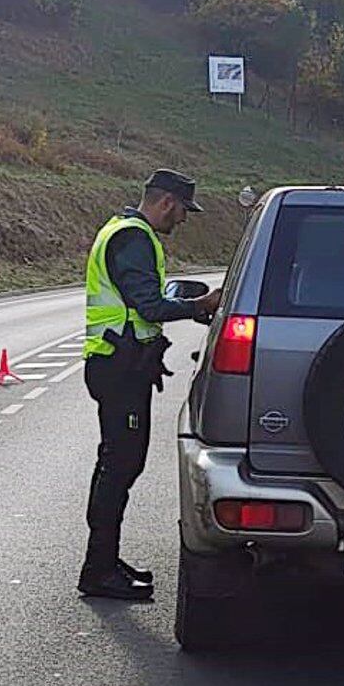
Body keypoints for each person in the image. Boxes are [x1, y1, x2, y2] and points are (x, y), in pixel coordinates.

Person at [78, 169, 221, 600]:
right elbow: (150, 305)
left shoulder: (119, 230)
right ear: (165, 202)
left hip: (118, 365)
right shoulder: (135, 239)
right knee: (120, 465)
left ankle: (103, 561)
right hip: (118, 369)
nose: (182, 220)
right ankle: (98, 570)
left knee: (117, 463)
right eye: (181, 211)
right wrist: (201, 304)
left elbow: (138, 308)